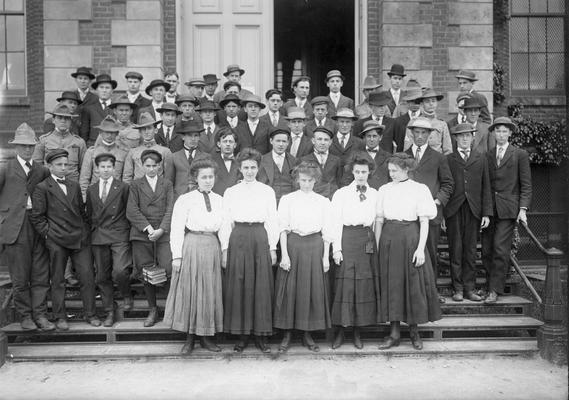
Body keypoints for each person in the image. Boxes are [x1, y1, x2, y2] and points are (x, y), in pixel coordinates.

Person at [375, 153, 441, 350]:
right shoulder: (384, 190)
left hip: (411, 237)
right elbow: (379, 220)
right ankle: (394, 333)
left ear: (406, 169)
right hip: (389, 238)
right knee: (392, 285)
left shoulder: (419, 190)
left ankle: (414, 332)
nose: (391, 174)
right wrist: (379, 246)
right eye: (390, 171)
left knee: (412, 284)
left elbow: (424, 221)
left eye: (395, 170)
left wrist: (421, 249)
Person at [30, 149, 99, 330]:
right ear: (49, 166)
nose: (63, 168)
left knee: (87, 276)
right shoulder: (42, 187)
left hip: (79, 238)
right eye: (59, 165)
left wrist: (84, 231)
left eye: (65, 164)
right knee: (58, 279)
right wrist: (49, 235)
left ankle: (90, 314)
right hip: (57, 240)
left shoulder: (74, 185)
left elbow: (81, 211)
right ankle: (60, 317)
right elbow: (37, 217)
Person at [219, 148, 279, 353]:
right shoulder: (231, 192)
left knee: (261, 286)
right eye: (246, 167)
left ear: (258, 168)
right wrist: (225, 249)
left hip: (260, 237)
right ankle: (242, 335)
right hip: (239, 238)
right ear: (240, 168)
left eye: (253, 167)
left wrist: (272, 248)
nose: (250, 171)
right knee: (240, 284)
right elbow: (226, 222)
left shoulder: (267, 191)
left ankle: (261, 335)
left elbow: (272, 220)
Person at [164, 157, 224, 353]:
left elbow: (224, 229)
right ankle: (189, 338)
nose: (208, 180)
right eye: (203, 177)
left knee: (209, 292)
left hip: (212, 246)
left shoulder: (220, 200)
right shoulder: (185, 199)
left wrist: (224, 251)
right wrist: (177, 256)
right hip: (191, 246)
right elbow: (176, 228)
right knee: (191, 292)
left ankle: (206, 337)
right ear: (195, 178)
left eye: (211, 177)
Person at [274, 161, 333, 353]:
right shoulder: (288, 199)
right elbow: (282, 228)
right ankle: (287, 334)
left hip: (314, 246)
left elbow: (327, 230)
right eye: (303, 180)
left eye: (310, 180)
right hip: (293, 245)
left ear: (315, 181)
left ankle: (307, 333)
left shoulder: (323, 201)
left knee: (310, 289)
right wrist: (285, 254)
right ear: (297, 180)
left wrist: (325, 257)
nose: (306, 184)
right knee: (291, 289)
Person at [0, 123, 53, 331]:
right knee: (20, 277)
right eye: (23, 146)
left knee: (40, 274)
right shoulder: (6, 168)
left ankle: (40, 315)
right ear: (15, 147)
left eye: (31, 145)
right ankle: (25, 316)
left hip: (38, 225)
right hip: (16, 227)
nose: (28, 149)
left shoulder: (42, 170)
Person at [330, 153, 381, 349]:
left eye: (364, 172)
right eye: (357, 171)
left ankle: (358, 332)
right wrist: (337, 249)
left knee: (362, 287)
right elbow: (335, 223)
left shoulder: (375, 194)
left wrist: (374, 245)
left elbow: (377, 221)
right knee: (346, 287)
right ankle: (341, 332)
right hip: (347, 239)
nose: (360, 175)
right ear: (352, 171)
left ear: (369, 172)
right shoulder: (341, 193)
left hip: (366, 241)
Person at [482, 117, 531, 304]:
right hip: (489, 209)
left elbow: (526, 185)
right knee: (486, 250)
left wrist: (523, 209)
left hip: (509, 209)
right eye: (498, 131)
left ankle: (494, 290)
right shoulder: (487, 155)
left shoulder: (519, 154)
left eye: (504, 131)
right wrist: (484, 211)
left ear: (510, 133)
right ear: (493, 133)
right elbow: (485, 184)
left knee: (500, 249)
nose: (501, 134)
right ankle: (489, 286)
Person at [405, 117, 454, 303]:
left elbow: (448, 184)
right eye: (416, 132)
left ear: (429, 135)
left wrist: (436, 202)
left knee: (430, 254)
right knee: (410, 254)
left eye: (423, 133)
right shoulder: (403, 156)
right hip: (408, 217)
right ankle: (412, 295)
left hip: (430, 216)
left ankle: (431, 294)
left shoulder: (438, 157)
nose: (419, 136)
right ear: (411, 133)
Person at [126, 149, 174, 327]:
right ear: (142, 166)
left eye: (155, 165)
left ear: (160, 166)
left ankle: (171, 308)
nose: (152, 169)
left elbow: (170, 208)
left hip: (163, 233)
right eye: (148, 165)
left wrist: (161, 229)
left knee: (168, 268)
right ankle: (152, 309)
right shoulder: (135, 185)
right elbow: (132, 210)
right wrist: (148, 228)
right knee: (146, 272)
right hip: (142, 233)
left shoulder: (167, 184)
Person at [445, 123, 493, 302]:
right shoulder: (449, 159)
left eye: (468, 135)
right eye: (461, 135)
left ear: (473, 137)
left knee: (470, 250)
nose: (465, 139)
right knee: (455, 249)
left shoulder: (480, 158)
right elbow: (445, 185)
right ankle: (457, 289)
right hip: (454, 209)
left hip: (474, 210)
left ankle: (469, 288)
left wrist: (486, 213)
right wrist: (443, 213)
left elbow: (486, 186)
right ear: (455, 138)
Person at [86, 153, 132, 326]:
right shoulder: (91, 189)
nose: (105, 170)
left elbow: (129, 211)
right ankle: (109, 311)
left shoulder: (123, 187)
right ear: (97, 169)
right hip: (99, 236)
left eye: (109, 167)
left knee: (120, 270)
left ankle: (126, 293)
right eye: (102, 167)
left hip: (119, 233)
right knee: (102, 276)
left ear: (114, 168)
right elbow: (90, 214)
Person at [34, 104, 87, 182]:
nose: (63, 121)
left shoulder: (79, 142)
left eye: (66, 118)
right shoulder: (44, 140)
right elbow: (37, 166)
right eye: (60, 118)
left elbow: (84, 169)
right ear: (53, 120)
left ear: (71, 121)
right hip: (50, 184)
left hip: (72, 185)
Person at [79, 115, 128, 199]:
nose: (109, 135)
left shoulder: (123, 153)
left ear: (117, 134)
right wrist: (84, 196)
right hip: (95, 194)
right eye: (106, 132)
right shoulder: (91, 152)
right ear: (100, 133)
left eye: (112, 132)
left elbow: (125, 177)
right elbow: (84, 177)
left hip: (116, 195)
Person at [122, 113, 174, 184]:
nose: (146, 132)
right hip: (138, 191)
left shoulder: (165, 151)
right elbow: (127, 177)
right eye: (143, 129)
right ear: (140, 132)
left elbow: (168, 178)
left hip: (158, 191)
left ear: (155, 130)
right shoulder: (133, 152)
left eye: (149, 128)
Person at [342, 121, 390, 190]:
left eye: (374, 136)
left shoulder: (388, 157)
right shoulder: (355, 155)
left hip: (381, 195)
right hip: (360, 194)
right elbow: (346, 179)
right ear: (364, 138)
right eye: (368, 136)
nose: (371, 139)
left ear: (380, 137)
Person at [404, 88, 452, 155]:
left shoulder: (442, 124)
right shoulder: (414, 122)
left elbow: (448, 150)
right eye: (427, 101)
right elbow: (407, 148)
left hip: (436, 161)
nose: (431, 104)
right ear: (422, 104)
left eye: (433, 101)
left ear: (437, 103)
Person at [257, 128, 297, 204]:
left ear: (288, 143)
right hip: (268, 202)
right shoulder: (261, 160)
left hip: (289, 203)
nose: (281, 144)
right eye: (278, 141)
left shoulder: (294, 161)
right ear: (271, 141)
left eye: (284, 141)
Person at [301, 126, 342, 199]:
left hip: (332, 198)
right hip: (312, 198)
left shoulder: (336, 160)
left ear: (330, 142)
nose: (323, 143)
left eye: (326, 140)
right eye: (319, 139)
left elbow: (339, 181)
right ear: (313, 140)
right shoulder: (304, 160)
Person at [171, 120, 206, 198]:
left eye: (196, 135)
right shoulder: (174, 157)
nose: (193, 139)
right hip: (179, 197)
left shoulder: (205, 157)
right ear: (183, 137)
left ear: (199, 137)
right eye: (189, 135)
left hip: (199, 197)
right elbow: (169, 182)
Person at [80, 73, 117, 147]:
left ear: (112, 91)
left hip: (113, 145)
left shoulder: (116, 108)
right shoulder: (88, 108)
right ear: (96, 90)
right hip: (93, 145)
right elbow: (84, 132)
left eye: (107, 88)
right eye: (101, 87)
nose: (104, 90)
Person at [329, 108, 364, 176]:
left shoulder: (360, 143)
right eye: (342, 121)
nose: (344, 125)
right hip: (333, 181)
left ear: (352, 123)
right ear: (337, 123)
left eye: (348, 122)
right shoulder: (329, 141)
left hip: (352, 181)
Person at [393, 82, 423, 152]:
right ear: (407, 102)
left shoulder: (425, 120)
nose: (415, 104)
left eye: (417, 101)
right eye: (412, 101)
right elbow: (396, 142)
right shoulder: (398, 121)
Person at [211, 127, 240, 196]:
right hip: (217, 200)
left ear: (235, 145)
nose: (228, 144)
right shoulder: (211, 162)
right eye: (225, 141)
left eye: (231, 141)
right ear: (219, 144)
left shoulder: (240, 163)